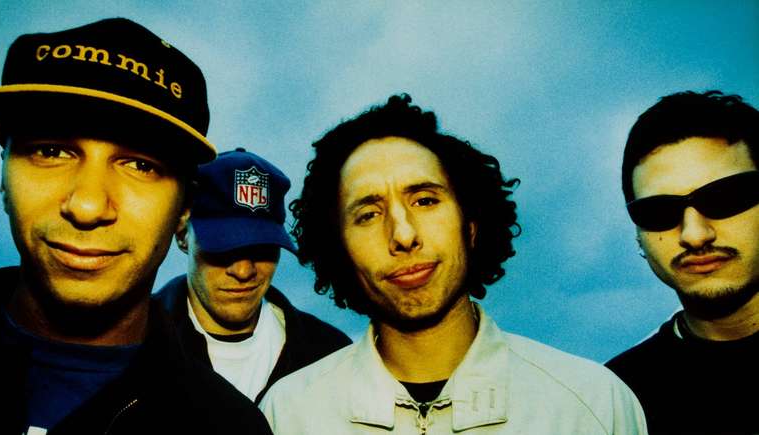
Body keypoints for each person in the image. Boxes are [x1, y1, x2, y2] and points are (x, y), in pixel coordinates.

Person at [260, 94, 647, 434]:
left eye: (425, 200)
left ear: (471, 225)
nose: (403, 234)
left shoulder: (595, 405)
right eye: (368, 214)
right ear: (339, 249)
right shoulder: (288, 416)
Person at [0, 18, 271, 434]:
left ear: (185, 208)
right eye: (51, 151)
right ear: (3, 176)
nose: (87, 206)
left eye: (140, 165)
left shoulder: (231, 429)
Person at [606, 90, 759, 435]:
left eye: (725, 197)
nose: (695, 234)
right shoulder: (615, 403)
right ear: (638, 235)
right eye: (658, 211)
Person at [154, 147, 351, 404]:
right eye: (222, 246)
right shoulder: (130, 346)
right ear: (182, 234)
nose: (243, 271)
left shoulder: (331, 356)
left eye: (262, 248)